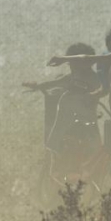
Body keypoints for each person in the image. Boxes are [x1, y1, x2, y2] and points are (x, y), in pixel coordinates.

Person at [47, 26, 111, 182]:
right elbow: (110, 89)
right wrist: (93, 95)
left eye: (109, 44)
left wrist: (64, 59)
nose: (107, 48)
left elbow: (88, 59)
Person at [24, 43, 103, 188]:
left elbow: (55, 83)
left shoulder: (86, 78)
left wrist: (39, 86)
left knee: (58, 141)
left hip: (79, 124)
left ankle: (61, 172)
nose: (71, 67)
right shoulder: (82, 77)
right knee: (90, 146)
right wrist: (38, 86)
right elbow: (55, 83)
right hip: (83, 125)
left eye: (73, 63)